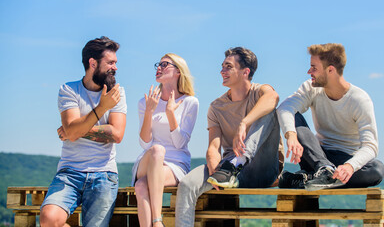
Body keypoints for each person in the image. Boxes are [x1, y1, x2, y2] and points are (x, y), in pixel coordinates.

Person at [175, 47, 283, 226]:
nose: (222, 71)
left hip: (263, 167)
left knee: (270, 111)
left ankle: (237, 162)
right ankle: (229, 169)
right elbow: (213, 147)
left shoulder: (260, 92)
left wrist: (244, 123)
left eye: (228, 67)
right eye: (222, 66)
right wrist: (213, 169)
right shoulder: (216, 107)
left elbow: (273, 97)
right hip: (228, 170)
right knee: (187, 185)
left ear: (245, 72)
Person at [40, 36, 127, 227]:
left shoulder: (117, 93)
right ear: (93, 63)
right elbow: (71, 131)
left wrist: (76, 130)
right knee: (49, 220)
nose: (115, 67)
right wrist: (102, 109)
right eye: (110, 62)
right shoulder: (69, 90)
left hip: (104, 175)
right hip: (69, 173)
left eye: (116, 63)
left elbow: (117, 134)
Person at [277, 43, 384, 191]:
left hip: (345, 159)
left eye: (314, 68)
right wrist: (291, 135)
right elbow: (285, 107)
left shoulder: (359, 99)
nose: (309, 72)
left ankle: (311, 180)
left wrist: (349, 167)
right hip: (315, 156)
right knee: (293, 116)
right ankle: (323, 173)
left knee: (377, 169)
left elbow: (370, 146)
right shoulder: (311, 88)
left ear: (330, 70)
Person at [132, 53, 199, 227]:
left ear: (178, 71)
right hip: (148, 160)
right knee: (156, 149)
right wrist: (149, 112)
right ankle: (157, 221)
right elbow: (145, 143)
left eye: (164, 64)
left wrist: (170, 114)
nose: (159, 68)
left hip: (176, 164)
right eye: (158, 65)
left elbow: (180, 143)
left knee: (140, 186)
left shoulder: (190, 102)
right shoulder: (146, 102)